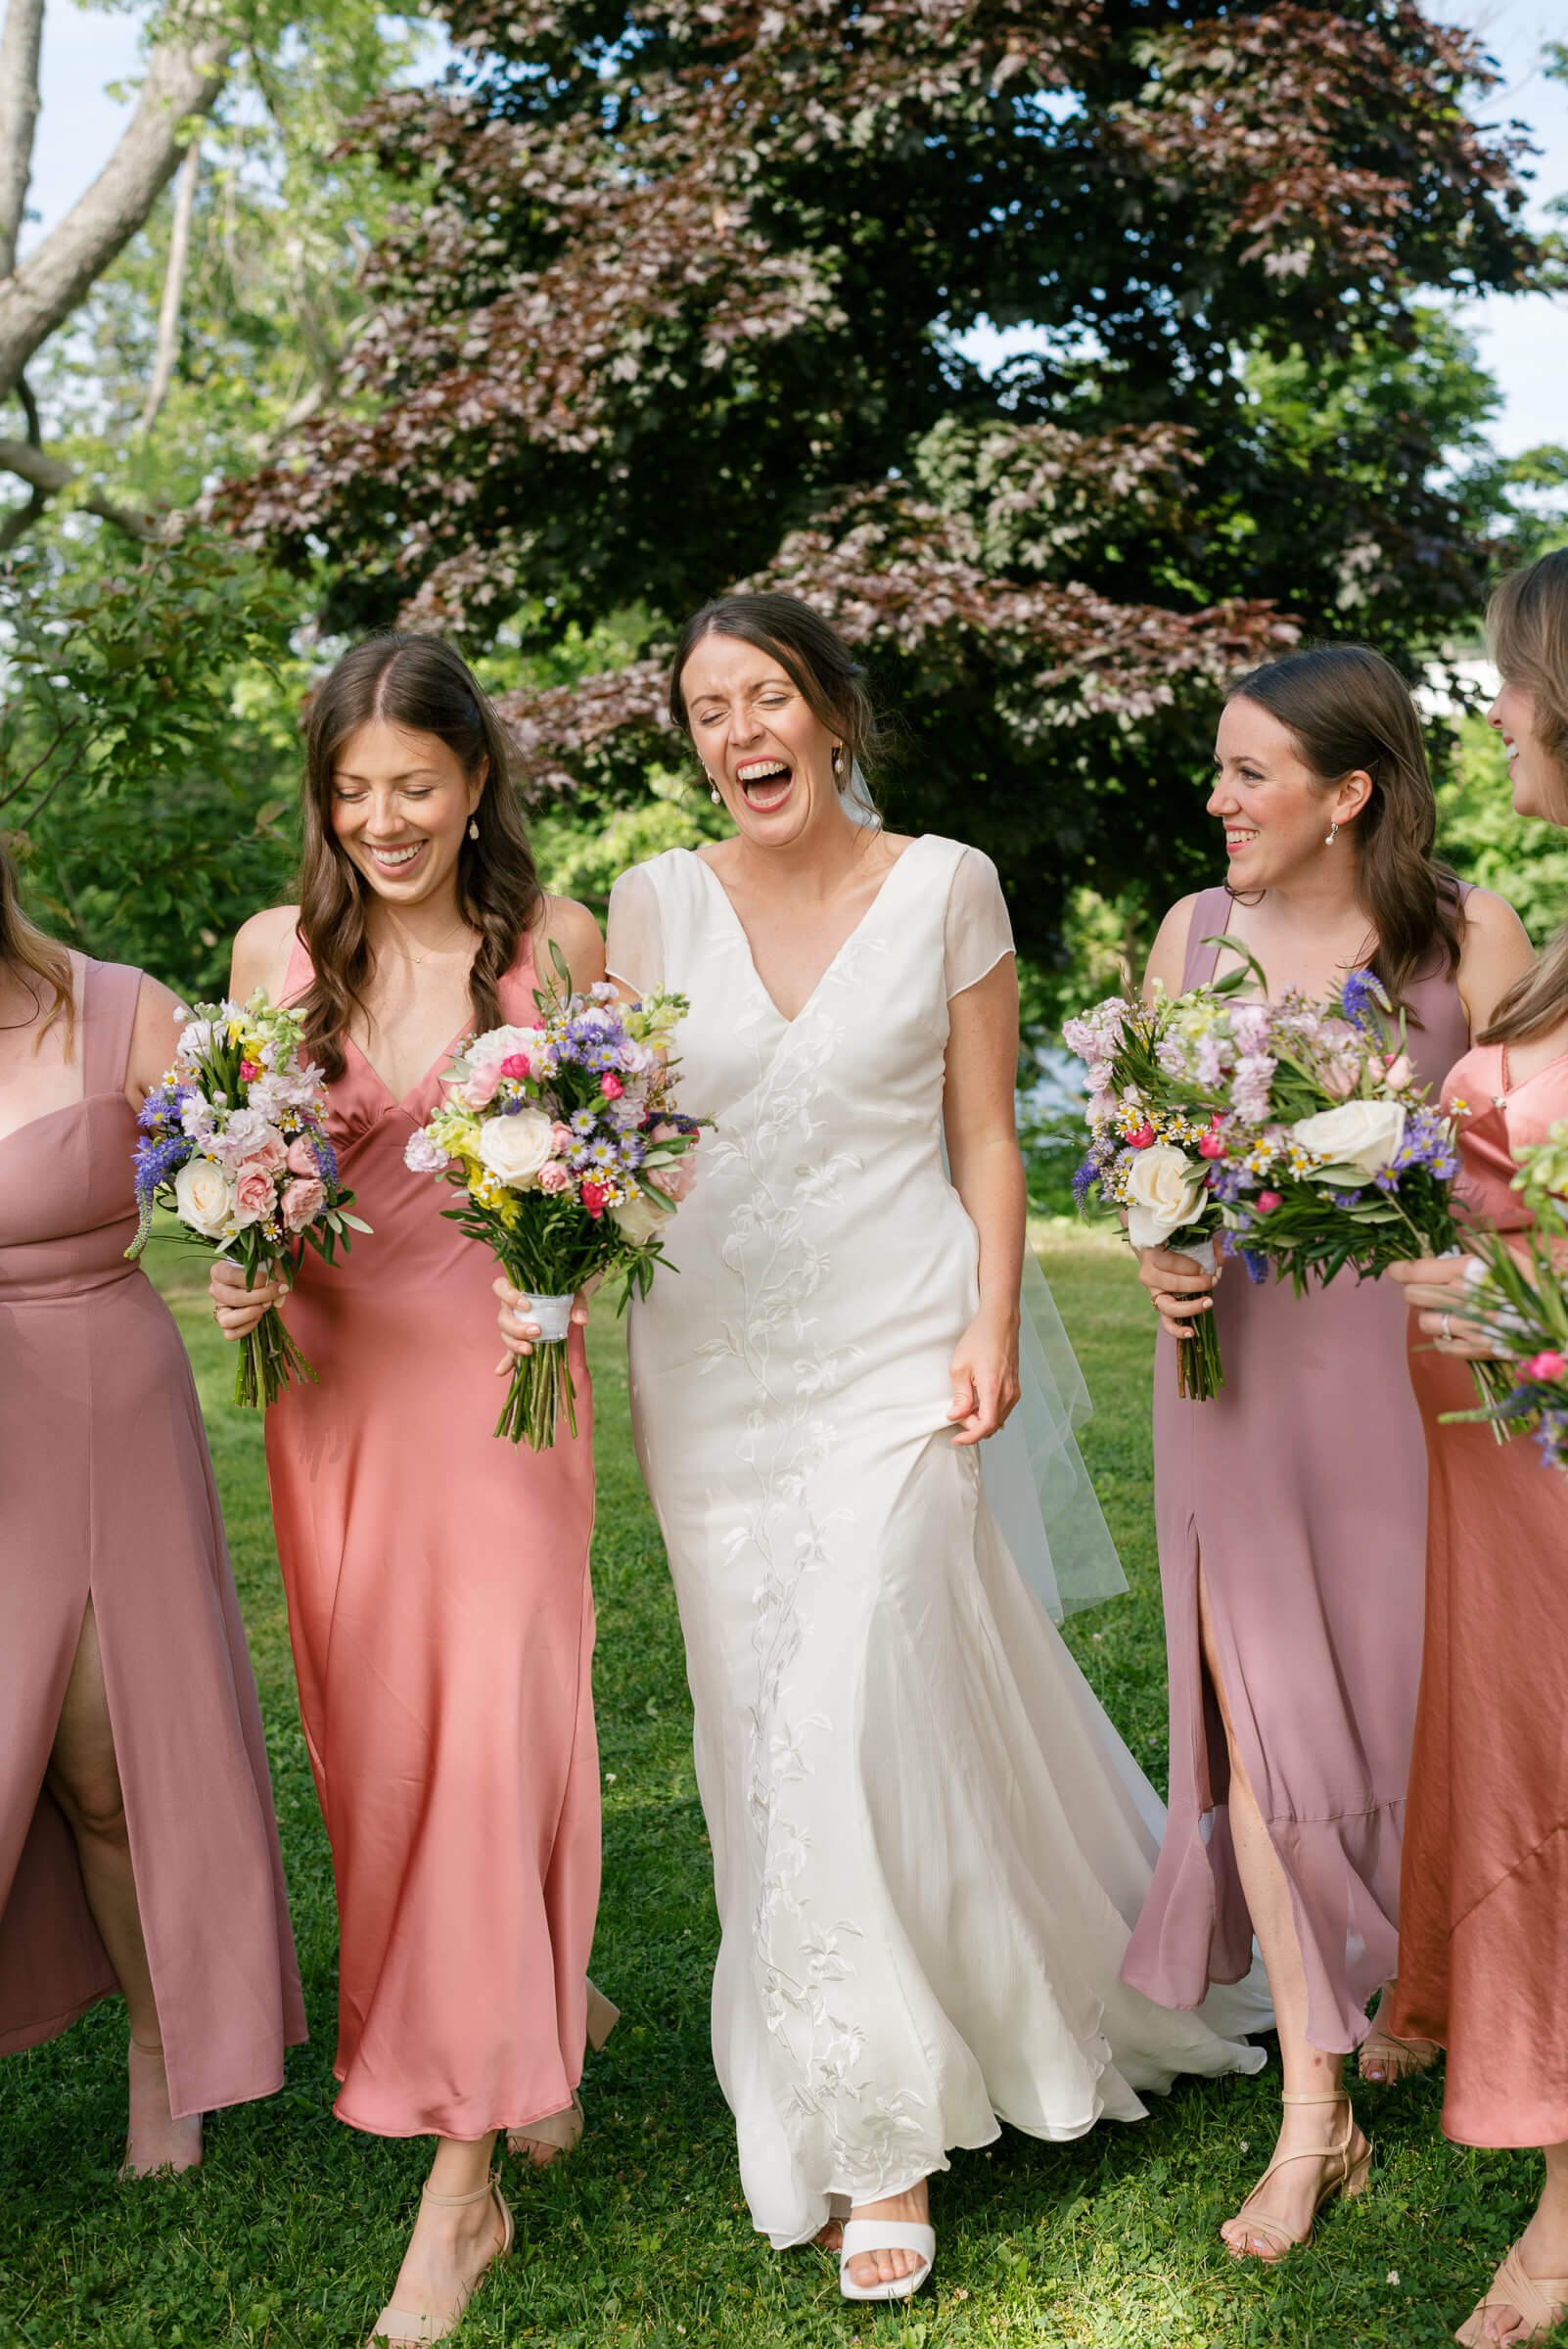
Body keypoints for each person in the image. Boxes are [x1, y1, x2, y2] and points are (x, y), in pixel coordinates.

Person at [544, 589, 1269, 2303]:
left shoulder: (948, 886)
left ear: (832, 717)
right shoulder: (645, 910)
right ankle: (869, 2072)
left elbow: (983, 1136)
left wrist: (994, 1317)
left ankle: (886, 2142)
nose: (738, 733)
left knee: (862, 1678)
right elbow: (614, 1131)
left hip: (898, 1343)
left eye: (768, 696)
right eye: (709, 709)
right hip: (708, 1363)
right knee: (762, 1722)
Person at [209, 634, 612, 2345]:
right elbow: (232, 1170)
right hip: (340, 1396)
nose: (384, 818)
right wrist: (235, 1262)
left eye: (416, 787)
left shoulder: (554, 953)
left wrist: (578, 1261)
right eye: (352, 790)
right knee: (381, 1746)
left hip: (508, 1388)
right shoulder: (271, 954)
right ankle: (535, 2007)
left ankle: (462, 2192)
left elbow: (621, 1175)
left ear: (474, 787)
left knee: (502, 1718)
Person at [1120, 644, 1533, 2263]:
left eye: (1245, 775)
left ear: (1346, 794)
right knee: (1261, 1728)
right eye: (1217, 770)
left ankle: (1430, 1986)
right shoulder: (1190, 935)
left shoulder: (1465, 935)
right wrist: (1152, 1240)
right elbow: (1150, 1145)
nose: (1214, 801)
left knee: (1420, 1700)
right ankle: (1315, 2110)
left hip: (1410, 1390)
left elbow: (1535, 1164)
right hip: (1224, 1380)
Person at [0, 847, 304, 2175]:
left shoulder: (119, 1009)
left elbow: (260, 1171)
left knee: (101, 1768)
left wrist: (257, 1252)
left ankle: (164, 2049)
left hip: (92, 1403)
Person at [1389, 550, 1568, 2348]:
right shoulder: (1553, 941)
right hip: (1500, 1479)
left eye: (1507, 681)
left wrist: (1515, 1280)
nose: (1491, 711)